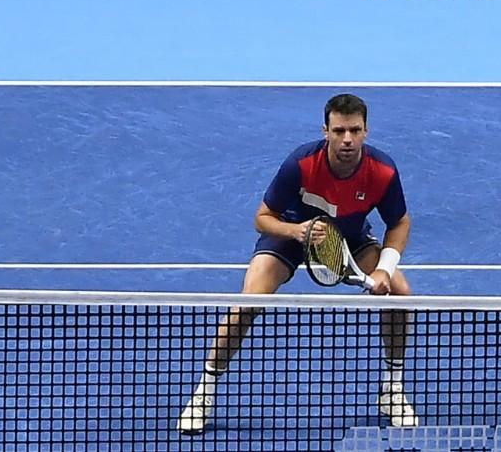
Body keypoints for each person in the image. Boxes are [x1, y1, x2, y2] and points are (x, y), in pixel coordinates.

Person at [177, 93, 417, 434]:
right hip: (290, 234)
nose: (346, 139)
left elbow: (400, 222)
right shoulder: (300, 164)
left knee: (400, 294)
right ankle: (204, 392)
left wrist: (384, 269)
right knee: (247, 304)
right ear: (325, 131)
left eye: (354, 130)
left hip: (349, 237)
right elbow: (262, 218)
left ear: (366, 131)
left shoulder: (382, 171)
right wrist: (296, 231)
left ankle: (392, 389)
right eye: (338, 131)